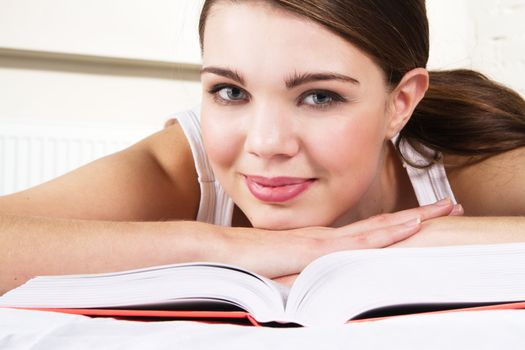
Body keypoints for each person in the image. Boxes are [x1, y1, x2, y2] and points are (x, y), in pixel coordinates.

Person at [1, 0, 524, 295]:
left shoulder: (476, 166)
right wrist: (232, 249)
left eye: (320, 96)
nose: (266, 143)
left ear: (399, 103)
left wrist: (348, 250)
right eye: (231, 92)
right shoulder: (190, 162)